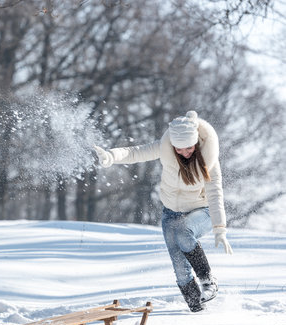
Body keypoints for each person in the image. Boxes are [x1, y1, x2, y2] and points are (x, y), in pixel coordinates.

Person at [94, 110, 233, 312]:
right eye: (179, 149)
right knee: (180, 267)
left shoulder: (209, 160)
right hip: (171, 213)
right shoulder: (165, 149)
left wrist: (220, 228)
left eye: (189, 148)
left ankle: (208, 280)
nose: (185, 152)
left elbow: (215, 194)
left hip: (201, 211)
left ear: (196, 142)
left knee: (184, 233)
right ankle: (197, 308)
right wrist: (111, 156)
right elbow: (135, 152)